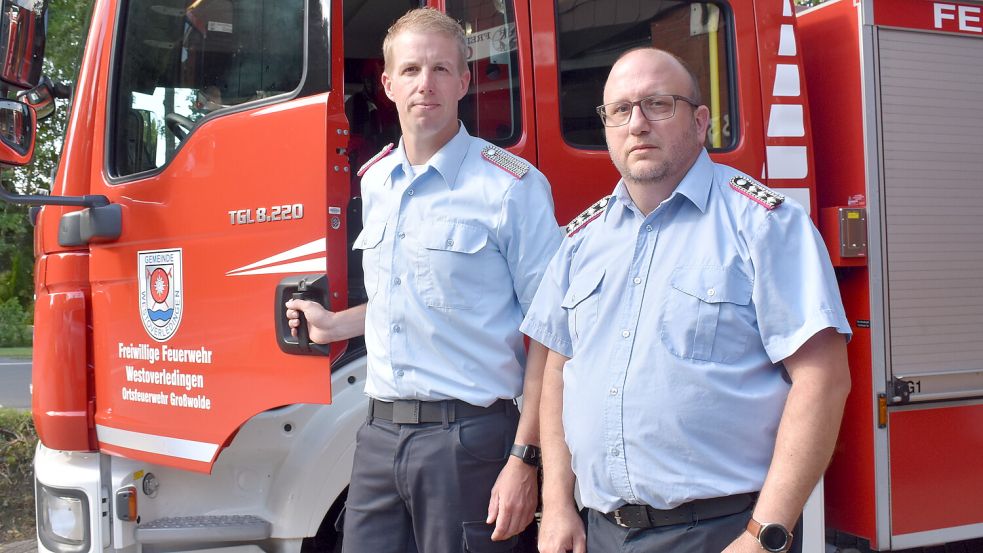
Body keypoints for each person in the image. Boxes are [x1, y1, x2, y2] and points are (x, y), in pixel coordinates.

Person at [520, 48, 852, 553]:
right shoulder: (581, 240)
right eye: (620, 110)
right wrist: (559, 507)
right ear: (606, 127)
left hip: (722, 532)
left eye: (658, 103)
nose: (637, 124)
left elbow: (823, 379)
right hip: (602, 531)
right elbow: (559, 373)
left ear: (700, 122)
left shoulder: (763, 224)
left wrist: (765, 535)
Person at [285, 8, 561, 553]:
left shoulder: (511, 187)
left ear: (464, 80)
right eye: (410, 70)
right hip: (378, 438)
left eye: (440, 69)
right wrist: (334, 323)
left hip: (470, 442)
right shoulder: (378, 182)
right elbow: (409, 296)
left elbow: (553, 335)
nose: (425, 85)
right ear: (388, 84)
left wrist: (525, 459)